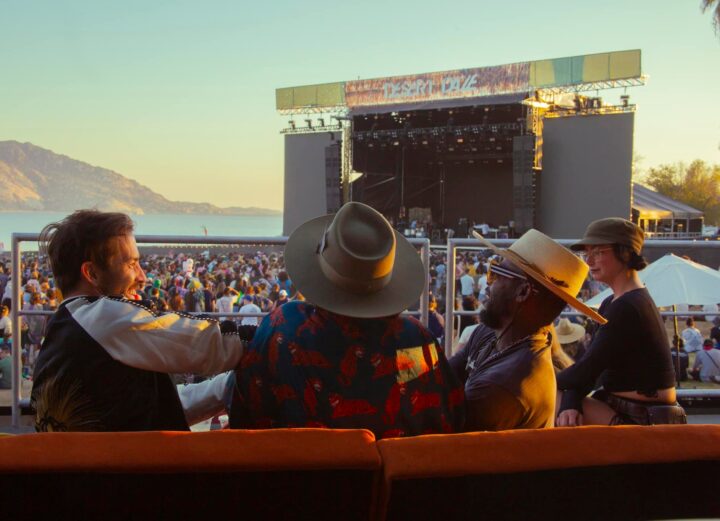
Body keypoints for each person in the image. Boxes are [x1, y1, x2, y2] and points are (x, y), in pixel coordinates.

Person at [229, 202, 464, 439]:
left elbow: (245, 419)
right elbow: (450, 417)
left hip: (299, 473)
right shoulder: (418, 340)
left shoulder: (283, 328)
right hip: (394, 472)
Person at [31, 210, 245, 432]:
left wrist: (224, 387)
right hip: (132, 465)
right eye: (131, 264)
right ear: (91, 273)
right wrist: (269, 334)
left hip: (91, 462)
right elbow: (212, 345)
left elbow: (155, 406)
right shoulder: (104, 316)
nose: (143, 277)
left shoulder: (64, 330)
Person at [449, 229, 606, 431]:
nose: (488, 285)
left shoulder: (505, 385)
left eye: (497, 274)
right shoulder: (494, 332)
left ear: (522, 292)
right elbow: (445, 373)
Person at [557, 218, 685, 426]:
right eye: (586, 253)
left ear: (625, 253)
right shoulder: (615, 301)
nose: (589, 261)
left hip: (642, 418)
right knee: (561, 402)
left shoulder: (628, 306)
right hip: (625, 408)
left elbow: (586, 370)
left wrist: (540, 383)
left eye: (598, 252)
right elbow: (590, 368)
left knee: (547, 398)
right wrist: (571, 400)